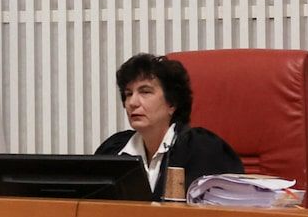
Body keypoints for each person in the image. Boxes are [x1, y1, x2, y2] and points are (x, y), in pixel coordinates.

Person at [93, 52, 243, 198]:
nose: (132, 102)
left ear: (171, 103)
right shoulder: (113, 150)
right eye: (128, 94)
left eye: (145, 92)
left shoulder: (202, 149)